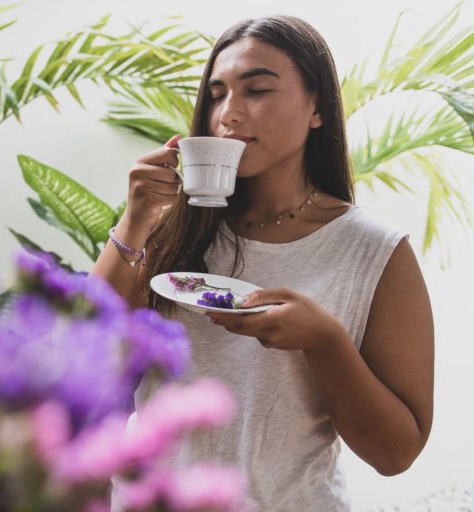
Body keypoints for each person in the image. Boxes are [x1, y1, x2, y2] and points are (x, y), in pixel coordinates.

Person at [90, 15, 434, 511]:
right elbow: (84, 349)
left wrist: (325, 341)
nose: (227, 113)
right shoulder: (168, 230)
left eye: (256, 90)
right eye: (216, 94)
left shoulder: (374, 251)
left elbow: (394, 453)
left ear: (316, 107)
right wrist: (134, 220)